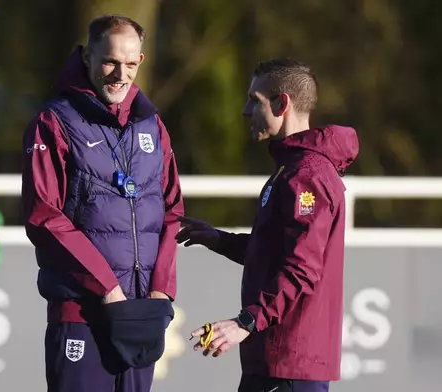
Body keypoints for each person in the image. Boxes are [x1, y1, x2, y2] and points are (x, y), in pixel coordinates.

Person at [22, 14, 184, 392]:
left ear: (141, 61)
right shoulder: (54, 121)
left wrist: (161, 290)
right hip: (81, 312)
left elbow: (172, 210)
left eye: (130, 64)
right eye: (110, 61)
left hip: (141, 312)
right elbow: (44, 215)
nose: (120, 75)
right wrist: (107, 287)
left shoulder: (152, 125)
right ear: (87, 56)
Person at [177, 59, 359, 392]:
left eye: (254, 101)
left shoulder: (307, 176)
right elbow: (276, 253)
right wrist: (217, 239)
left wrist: (245, 321)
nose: (246, 111)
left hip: (289, 364)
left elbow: (301, 268)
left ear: (281, 104)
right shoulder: (289, 169)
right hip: (275, 360)